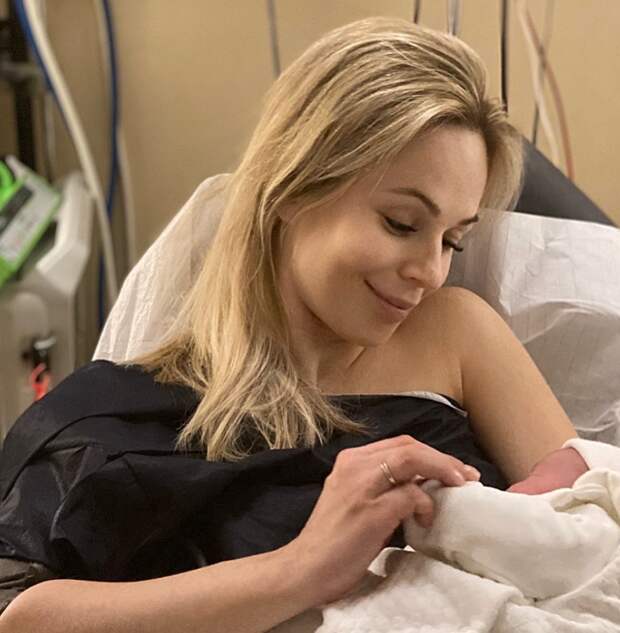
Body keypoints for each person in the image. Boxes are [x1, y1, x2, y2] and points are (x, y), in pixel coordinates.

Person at [0, 16, 588, 633]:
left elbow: (591, 531)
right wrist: (301, 569)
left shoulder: (458, 337)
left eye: (452, 241)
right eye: (401, 223)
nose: (431, 272)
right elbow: (19, 614)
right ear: (292, 187)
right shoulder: (110, 419)